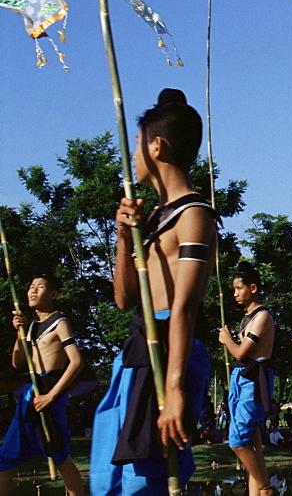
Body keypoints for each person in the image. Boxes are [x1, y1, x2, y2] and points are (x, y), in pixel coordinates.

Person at [90, 89, 216, 494]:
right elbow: (124, 299)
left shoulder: (194, 215)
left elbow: (184, 307)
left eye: (137, 144)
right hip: (134, 350)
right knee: (106, 480)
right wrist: (124, 236)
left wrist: (175, 388)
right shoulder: (154, 218)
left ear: (157, 145)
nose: (132, 157)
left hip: (168, 353)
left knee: (146, 480)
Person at [0, 275, 85, 496]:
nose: (33, 290)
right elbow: (17, 363)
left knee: (58, 453)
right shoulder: (31, 327)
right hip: (30, 393)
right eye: (31, 286)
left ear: (54, 294)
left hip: (51, 390)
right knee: (5, 457)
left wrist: (52, 396)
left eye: (40, 287)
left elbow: (76, 361)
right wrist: (20, 333)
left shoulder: (60, 322)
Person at [219, 262, 276, 495]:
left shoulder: (262, 316)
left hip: (254, 379)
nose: (235, 294)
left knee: (238, 441)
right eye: (233, 289)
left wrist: (227, 340)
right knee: (253, 444)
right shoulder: (247, 318)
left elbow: (242, 352)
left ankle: (265, 488)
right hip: (241, 378)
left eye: (238, 289)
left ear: (252, 288)